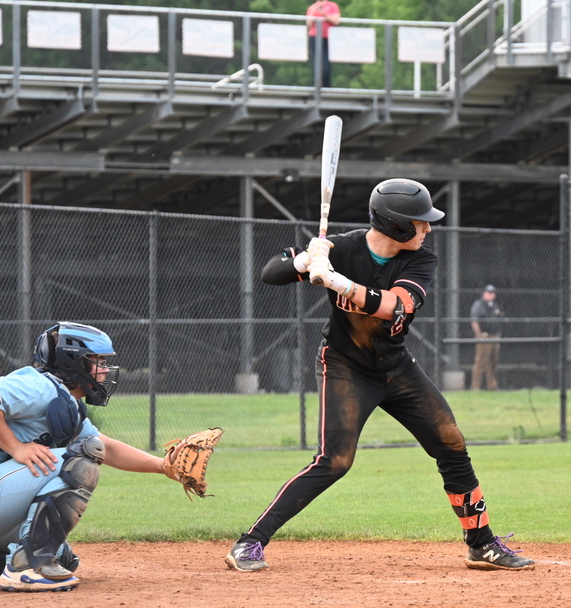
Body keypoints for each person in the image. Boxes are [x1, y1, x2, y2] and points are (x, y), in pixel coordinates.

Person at [225, 178, 534, 574]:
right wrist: (304, 262)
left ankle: (481, 544)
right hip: (344, 367)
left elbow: (395, 307)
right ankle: (250, 542)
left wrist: (336, 280)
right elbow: (271, 273)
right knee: (335, 460)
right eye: (420, 222)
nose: (428, 229)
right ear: (397, 225)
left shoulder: (421, 259)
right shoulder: (341, 248)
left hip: (396, 366)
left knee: (451, 442)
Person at [0, 322, 184, 593]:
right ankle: (26, 568)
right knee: (79, 460)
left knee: (63, 557)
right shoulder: (39, 385)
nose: (105, 370)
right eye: (98, 361)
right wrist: (16, 448)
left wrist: (164, 466)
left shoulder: (67, 403)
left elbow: (106, 447)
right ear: (74, 362)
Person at [470, 284, 504, 391]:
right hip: (484, 336)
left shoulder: (495, 305)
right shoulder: (478, 305)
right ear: (484, 294)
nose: (490, 295)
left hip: (495, 336)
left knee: (493, 362)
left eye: (492, 293)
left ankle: (492, 386)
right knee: (480, 361)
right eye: (488, 293)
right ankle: (475, 387)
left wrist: (498, 334)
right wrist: (479, 335)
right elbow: (474, 321)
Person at [306, 0, 340, 88]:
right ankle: (317, 86)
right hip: (314, 37)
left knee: (326, 65)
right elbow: (308, 24)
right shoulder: (312, 7)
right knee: (316, 64)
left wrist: (325, 14)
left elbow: (336, 21)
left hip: (328, 38)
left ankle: (326, 86)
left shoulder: (332, 6)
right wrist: (313, 12)